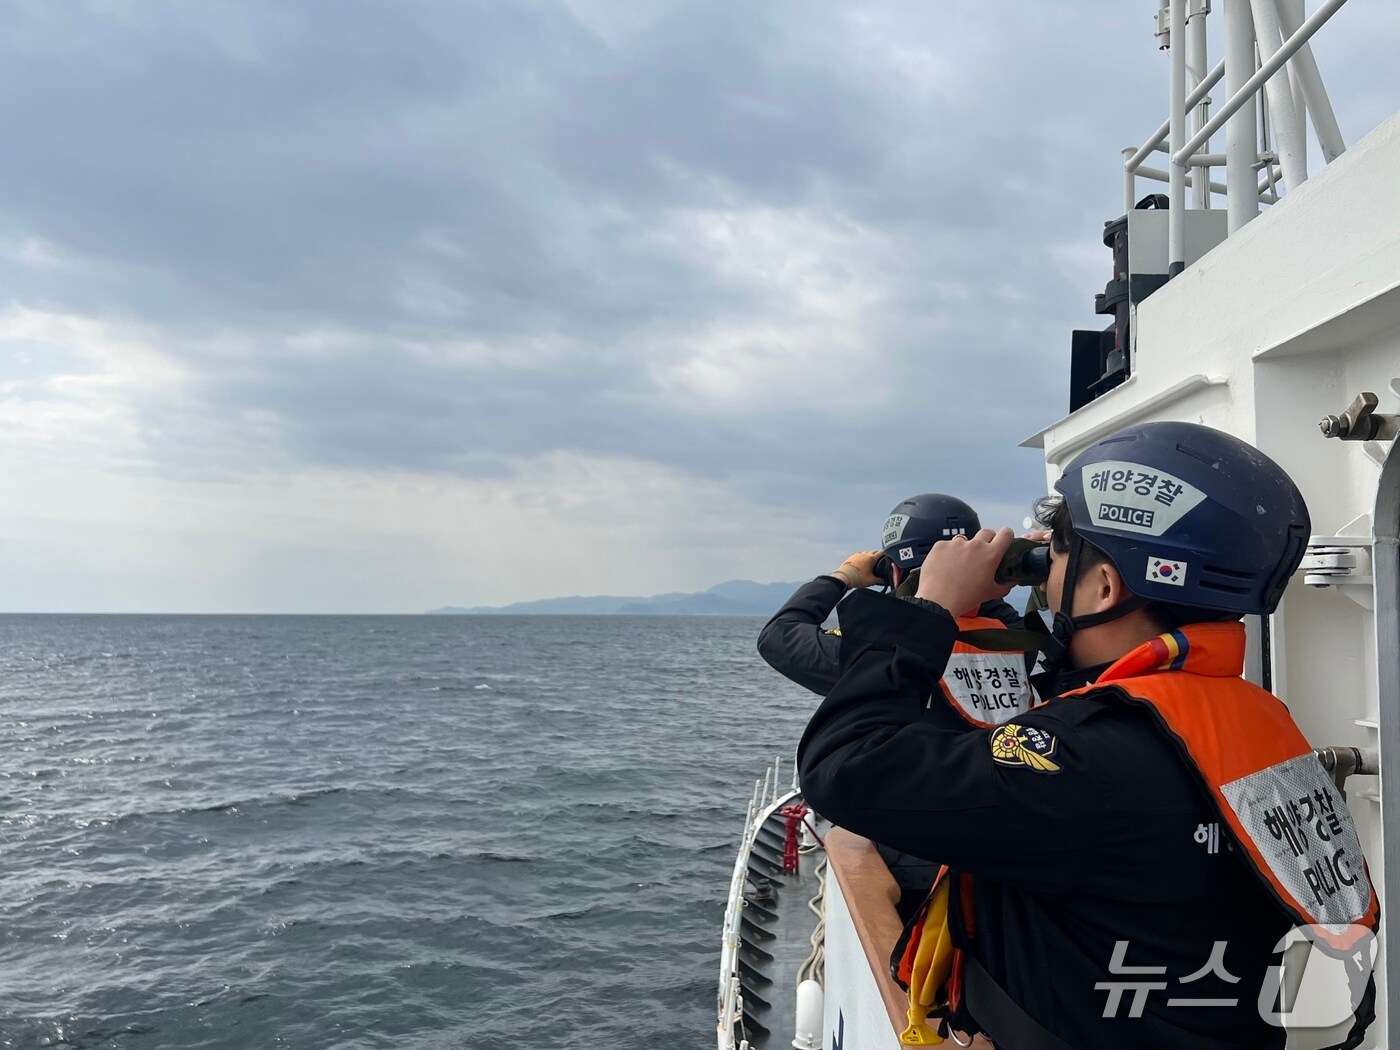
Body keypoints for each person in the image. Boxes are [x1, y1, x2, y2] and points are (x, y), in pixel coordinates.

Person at [797, 422, 1378, 1050]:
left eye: (1059, 554)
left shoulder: (1084, 757)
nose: (1044, 574)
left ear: (1104, 587)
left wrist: (930, 608)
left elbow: (844, 768)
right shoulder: (1257, 716)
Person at [757, 493, 1035, 727]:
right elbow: (984, 606)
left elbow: (779, 636)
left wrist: (843, 576)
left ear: (894, 571)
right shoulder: (1014, 638)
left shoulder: (877, 653)